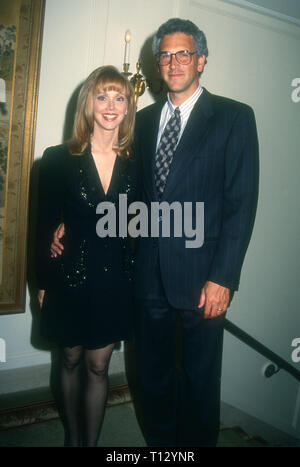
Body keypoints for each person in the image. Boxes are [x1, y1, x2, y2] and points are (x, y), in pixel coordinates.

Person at [133, 18, 259, 447]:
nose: (174, 62)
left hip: (205, 279)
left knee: (200, 383)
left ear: (201, 60)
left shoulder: (234, 118)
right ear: (157, 63)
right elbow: (132, 194)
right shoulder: (144, 120)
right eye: (165, 54)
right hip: (149, 274)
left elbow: (241, 204)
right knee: (151, 377)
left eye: (183, 53)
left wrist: (224, 277)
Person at [36, 65, 137, 447]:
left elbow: (142, 219)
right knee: (70, 360)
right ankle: (72, 437)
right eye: (102, 96)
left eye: (119, 97)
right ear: (88, 103)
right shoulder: (58, 158)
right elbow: (44, 225)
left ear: (128, 106)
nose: (110, 105)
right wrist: (41, 282)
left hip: (114, 279)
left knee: (99, 367)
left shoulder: (136, 161)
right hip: (69, 276)